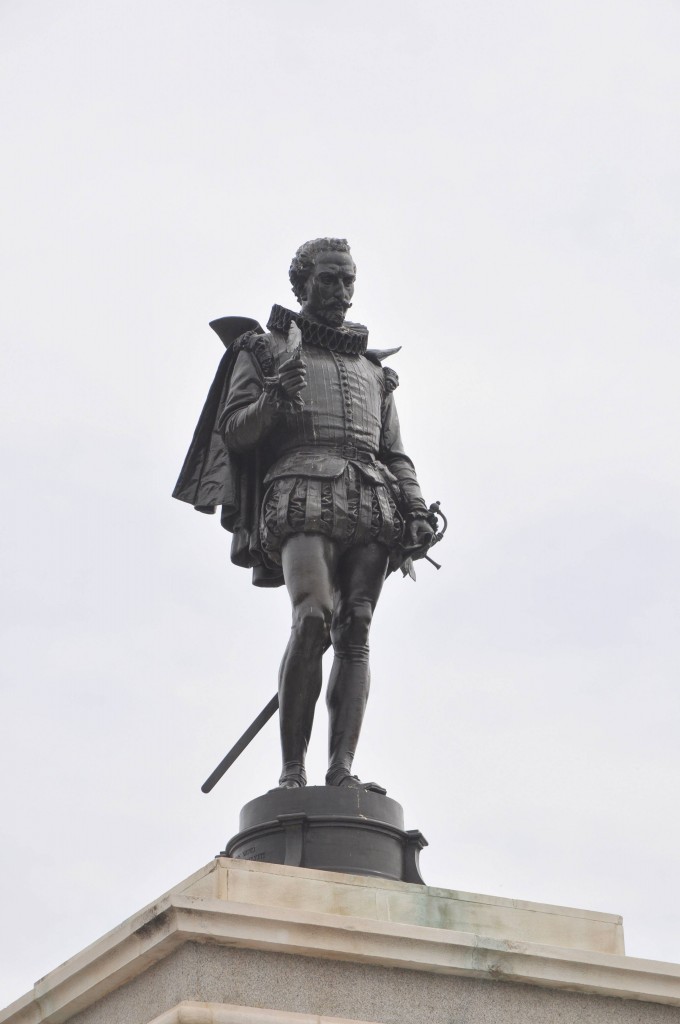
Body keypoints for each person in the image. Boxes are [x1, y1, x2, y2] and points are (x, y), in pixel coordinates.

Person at [175, 238, 436, 790]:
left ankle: (340, 770)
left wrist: (415, 506)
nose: (341, 292)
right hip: (299, 495)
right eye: (328, 280)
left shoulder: (373, 371)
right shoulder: (264, 349)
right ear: (301, 284)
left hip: (373, 502)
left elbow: (394, 453)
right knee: (314, 616)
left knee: (356, 627)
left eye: (348, 281)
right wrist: (273, 398)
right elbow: (235, 431)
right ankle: (292, 771)